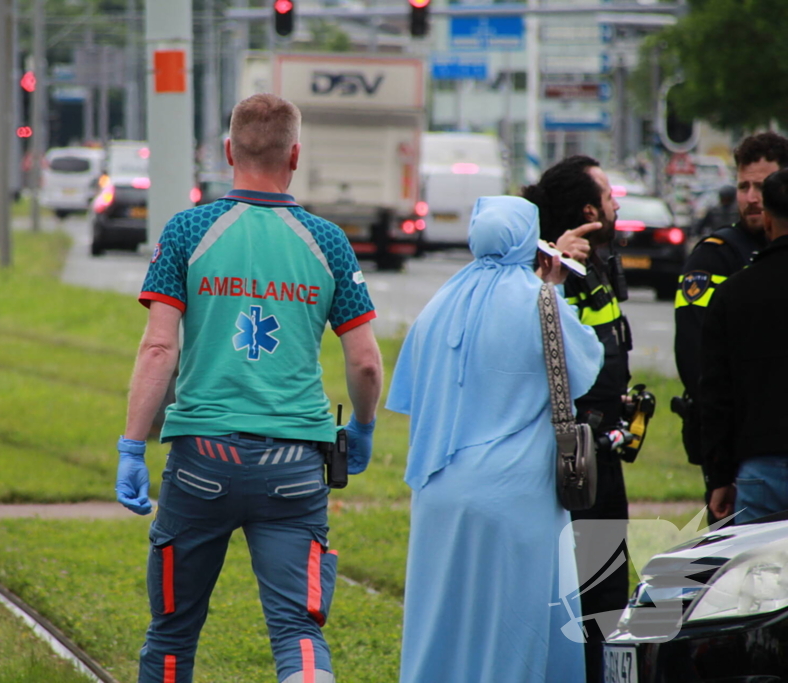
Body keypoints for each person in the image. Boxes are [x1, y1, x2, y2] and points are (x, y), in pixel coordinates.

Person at [116, 93, 383, 683]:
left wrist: (133, 447)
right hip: (294, 465)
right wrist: (361, 429)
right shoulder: (328, 242)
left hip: (199, 463)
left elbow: (160, 348)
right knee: (298, 632)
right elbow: (364, 362)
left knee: (171, 632)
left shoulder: (187, 231)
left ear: (229, 150)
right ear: (295, 155)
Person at [388, 196, 602, 683]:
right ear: (530, 240)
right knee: (517, 624)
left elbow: (416, 392)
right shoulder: (539, 300)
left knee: (445, 619)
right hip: (515, 494)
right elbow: (584, 366)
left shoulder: (438, 304)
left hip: (441, 491)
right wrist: (553, 290)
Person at [522, 156, 630, 683]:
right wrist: (556, 274)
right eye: (609, 195)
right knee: (582, 598)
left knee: (609, 594)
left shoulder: (604, 264)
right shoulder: (551, 273)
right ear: (590, 210)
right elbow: (550, 353)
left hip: (604, 453)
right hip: (575, 460)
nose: (617, 204)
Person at [673, 132, 788, 523]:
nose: (752, 197)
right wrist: (722, 461)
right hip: (742, 454)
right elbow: (699, 365)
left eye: (762, 185)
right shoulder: (714, 258)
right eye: (743, 186)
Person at [702, 167, 788, 523]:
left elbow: (715, 394)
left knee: (761, 575)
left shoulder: (732, 295)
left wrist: (719, 477)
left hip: (760, 467)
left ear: (766, 219)